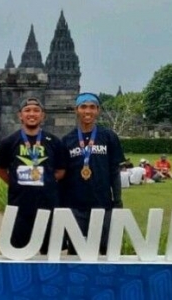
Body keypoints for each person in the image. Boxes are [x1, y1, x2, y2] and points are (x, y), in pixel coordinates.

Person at [0, 97, 67, 253]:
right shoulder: (9, 142)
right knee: (20, 254)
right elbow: (1, 170)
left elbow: (61, 171)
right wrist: (16, 183)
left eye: (36, 110)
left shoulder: (54, 142)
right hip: (20, 207)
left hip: (47, 206)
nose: (32, 114)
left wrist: (47, 181)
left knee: (50, 254)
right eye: (27, 110)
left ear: (43, 115)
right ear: (20, 115)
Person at [61, 93, 124, 255]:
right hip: (75, 207)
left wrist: (117, 202)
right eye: (83, 107)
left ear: (98, 111)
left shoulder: (109, 137)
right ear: (76, 110)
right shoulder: (67, 140)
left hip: (102, 205)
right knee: (75, 253)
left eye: (92, 107)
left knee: (104, 252)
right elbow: (62, 175)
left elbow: (114, 172)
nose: (87, 111)